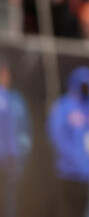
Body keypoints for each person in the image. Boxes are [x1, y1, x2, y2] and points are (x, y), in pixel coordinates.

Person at [48, 66, 89, 217]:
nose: (87, 89)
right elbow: (56, 135)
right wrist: (73, 159)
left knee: (86, 210)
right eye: (84, 85)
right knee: (67, 210)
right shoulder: (64, 106)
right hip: (68, 172)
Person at [0, 58, 31, 217]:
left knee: (10, 202)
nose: (3, 76)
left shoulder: (17, 100)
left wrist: (21, 155)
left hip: (12, 161)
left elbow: (24, 131)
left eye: (5, 72)